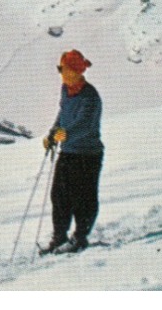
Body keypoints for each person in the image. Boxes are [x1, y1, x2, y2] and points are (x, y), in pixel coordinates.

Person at [42, 49, 103, 254]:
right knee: (59, 195)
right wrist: (53, 133)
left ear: (76, 71)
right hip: (68, 152)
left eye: (65, 69)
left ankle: (79, 238)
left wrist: (64, 134)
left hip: (87, 154)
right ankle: (59, 237)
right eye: (60, 69)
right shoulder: (66, 91)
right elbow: (63, 115)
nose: (62, 73)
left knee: (82, 198)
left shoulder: (90, 96)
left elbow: (85, 125)